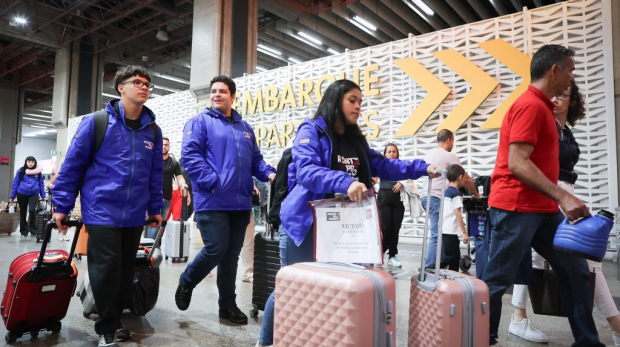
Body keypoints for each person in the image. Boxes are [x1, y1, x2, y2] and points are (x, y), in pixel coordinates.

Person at [255, 79, 439, 347]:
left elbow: (383, 165)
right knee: (291, 288)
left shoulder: (354, 139)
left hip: (343, 229)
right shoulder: (311, 131)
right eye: (352, 100)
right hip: (307, 225)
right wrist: (346, 182)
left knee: (329, 291)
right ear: (335, 100)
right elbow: (305, 171)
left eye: (361, 102)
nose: (358, 107)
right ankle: (264, 342)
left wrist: (423, 167)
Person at [481, 44, 603, 346]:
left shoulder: (543, 107)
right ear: (554, 70)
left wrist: (556, 199)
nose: (571, 79)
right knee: (497, 279)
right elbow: (518, 162)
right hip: (516, 207)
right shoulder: (530, 106)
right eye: (570, 71)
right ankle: (482, 336)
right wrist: (563, 197)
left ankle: (588, 341)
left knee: (575, 271)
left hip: (542, 209)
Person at [52, 65, 163, 347]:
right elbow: (72, 166)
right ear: (120, 88)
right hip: (101, 210)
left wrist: (154, 208)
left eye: (147, 83)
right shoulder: (97, 122)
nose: (143, 87)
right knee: (107, 268)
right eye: (136, 82)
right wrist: (61, 206)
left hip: (135, 213)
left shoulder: (152, 129)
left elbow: (154, 174)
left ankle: (113, 320)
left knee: (127, 271)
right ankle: (106, 329)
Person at [509, 80, 620, 346]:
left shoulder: (565, 130)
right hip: (550, 192)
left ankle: (519, 318)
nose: (557, 98)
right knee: (563, 259)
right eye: (555, 93)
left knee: (579, 261)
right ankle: (517, 318)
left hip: (565, 194)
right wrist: (560, 195)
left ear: (572, 101)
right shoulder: (542, 124)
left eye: (564, 95)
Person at [175, 75, 276, 326]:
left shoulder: (244, 128)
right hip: (213, 200)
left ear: (232, 96)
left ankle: (227, 306)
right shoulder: (199, 122)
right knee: (215, 248)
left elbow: (256, 162)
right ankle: (187, 281)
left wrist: (271, 173)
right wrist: (213, 183)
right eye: (213, 91)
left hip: (241, 203)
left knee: (231, 256)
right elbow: (189, 156)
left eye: (222, 91)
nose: (216, 94)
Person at [420, 129, 480, 268]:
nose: (453, 144)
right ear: (449, 140)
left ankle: (438, 264)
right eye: (453, 141)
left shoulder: (429, 153)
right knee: (437, 234)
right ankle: (429, 267)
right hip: (436, 197)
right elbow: (464, 177)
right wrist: (476, 194)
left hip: (425, 197)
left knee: (438, 232)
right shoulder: (449, 155)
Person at [146, 140, 189, 238]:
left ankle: (155, 248)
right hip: (152, 197)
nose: (164, 147)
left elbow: (180, 177)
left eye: (166, 145)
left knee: (160, 225)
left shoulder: (174, 163)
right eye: (162, 144)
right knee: (153, 224)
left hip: (167, 198)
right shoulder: (152, 160)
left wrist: (183, 185)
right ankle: (151, 248)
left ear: (169, 147)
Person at [375, 143, 408, 267]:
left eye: (394, 151)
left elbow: (409, 177)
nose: (392, 154)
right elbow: (374, 178)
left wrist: (401, 183)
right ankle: (382, 252)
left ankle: (392, 255)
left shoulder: (402, 165)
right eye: (389, 152)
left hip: (398, 199)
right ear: (385, 154)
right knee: (386, 228)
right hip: (384, 197)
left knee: (395, 228)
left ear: (397, 153)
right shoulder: (381, 165)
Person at [440, 164, 469, 272]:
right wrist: (464, 232)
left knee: (454, 257)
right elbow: (458, 213)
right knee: (451, 257)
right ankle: (430, 270)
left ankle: (453, 279)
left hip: (444, 229)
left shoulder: (446, 192)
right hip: (451, 230)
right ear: (460, 177)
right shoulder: (456, 194)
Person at [9, 156, 45, 237]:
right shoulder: (20, 171)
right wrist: (12, 196)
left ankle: (33, 229)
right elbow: (15, 184)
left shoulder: (38, 172)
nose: (30, 163)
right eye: (29, 161)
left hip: (34, 194)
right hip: (21, 193)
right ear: (26, 162)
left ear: (35, 163)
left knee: (32, 210)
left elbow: (41, 184)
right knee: (23, 212)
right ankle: (24, 230)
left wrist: (43, 195)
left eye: (32, 162)